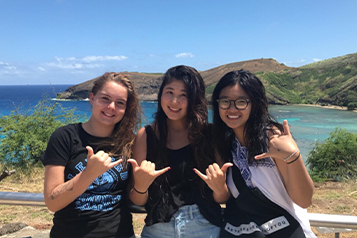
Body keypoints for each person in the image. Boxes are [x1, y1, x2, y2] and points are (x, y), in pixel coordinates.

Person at [206, 69, 316, 237]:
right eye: (225, 101)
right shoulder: (225, 145)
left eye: (241, 102)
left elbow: (304, 200)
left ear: (254, 104)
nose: (232, 109)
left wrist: (293, 156)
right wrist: (219, 188)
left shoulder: (273, 139)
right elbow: (225, 198)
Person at [129, 65, 225, 238]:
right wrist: (141, 187)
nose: (174, 101)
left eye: (184, 95)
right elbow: (137, 200)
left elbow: (223, 197)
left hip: (205, 225)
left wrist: (219, 188)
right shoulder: (146, 135)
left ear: (194, 99)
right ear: (160, 95)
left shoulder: (210, 135)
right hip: (157, 228)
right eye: (169, 92)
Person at [42, 72, 141, 238]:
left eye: (120, 103)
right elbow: (52, 202)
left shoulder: (130, 142)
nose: (111, 107)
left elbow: (134, 194)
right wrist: (89, 174)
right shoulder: (65, 137)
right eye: (105, 99)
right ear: (92, 98)